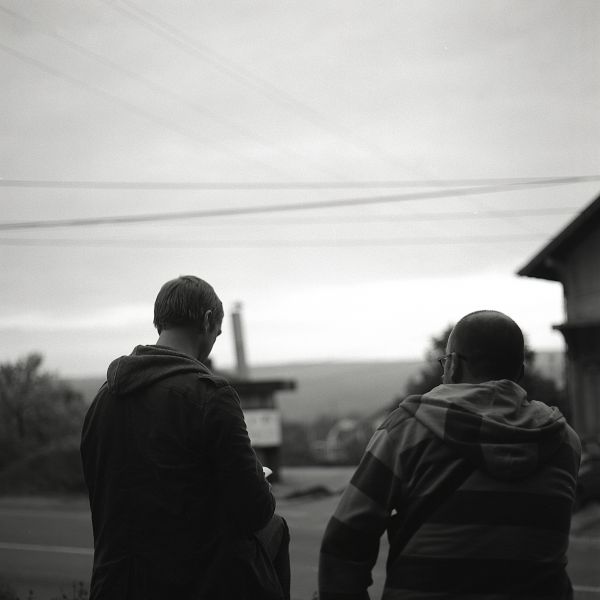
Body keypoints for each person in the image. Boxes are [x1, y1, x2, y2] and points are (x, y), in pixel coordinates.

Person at [319, 309, 581, 599]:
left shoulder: (407, 429)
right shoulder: (563, 441)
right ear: (519, 372)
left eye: (444, 362)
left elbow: (346, 539)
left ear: (453, 366)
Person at [81, 275, 290, 600]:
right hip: (194, 583)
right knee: (275, 527)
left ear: (159, 321)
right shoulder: (210, 395)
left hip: (114, 584)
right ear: (208, 320)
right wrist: (260, 482)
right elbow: (254, 511)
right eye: (216, 333)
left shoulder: (102, 399)